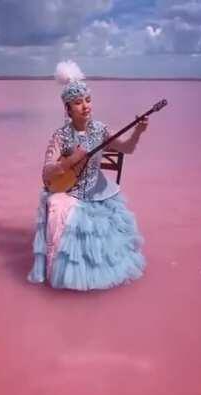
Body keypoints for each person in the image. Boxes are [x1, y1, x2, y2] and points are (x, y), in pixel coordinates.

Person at [27, 60, 149, 291]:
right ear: (68, 109)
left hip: (98, 189)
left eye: (88, 100)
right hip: (71, 190)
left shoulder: (101, 129)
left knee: (93, 218)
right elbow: (46, 172)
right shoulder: (61, 136)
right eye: (78, 103)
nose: (85, 106)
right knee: (56, 206)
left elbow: (127, 148)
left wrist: (138, 132)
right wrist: (72, 160)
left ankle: (97, 272)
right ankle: (60, 271)